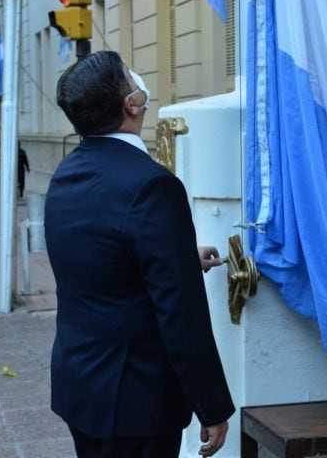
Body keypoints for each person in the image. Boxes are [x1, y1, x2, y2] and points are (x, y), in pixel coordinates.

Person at [45, 51, 234, 458]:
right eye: (132, 78)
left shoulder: (66, 172)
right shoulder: (153, 185)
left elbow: (99, 259)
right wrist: (213, 406)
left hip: (80, 383)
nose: (139, 82)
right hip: (134, 396)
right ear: (132, 105)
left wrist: (179, 258)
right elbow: (181, 312)